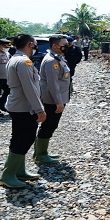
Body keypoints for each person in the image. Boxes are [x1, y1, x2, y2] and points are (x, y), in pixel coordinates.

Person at [0, 34, 45, 189]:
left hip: (18, 105)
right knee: (25, 138)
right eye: (35, 44)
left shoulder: (15, 58)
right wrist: (39, 109)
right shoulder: (24, 61)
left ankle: (19, 170)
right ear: (30, 44)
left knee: (19, 137)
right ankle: (8, 174)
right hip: (24, 107)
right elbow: (29, 88)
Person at [34, 35, 71, 164]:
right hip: (52, 100)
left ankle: (41, 151)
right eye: (64, 44)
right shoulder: (51, 61)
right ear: (55, 45)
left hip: (57, 97)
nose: (67, 46)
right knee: (49, 125)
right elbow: (52, 83)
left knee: (50, 124)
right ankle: (40, 154)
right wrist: (58, 101)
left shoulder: (58, 58)